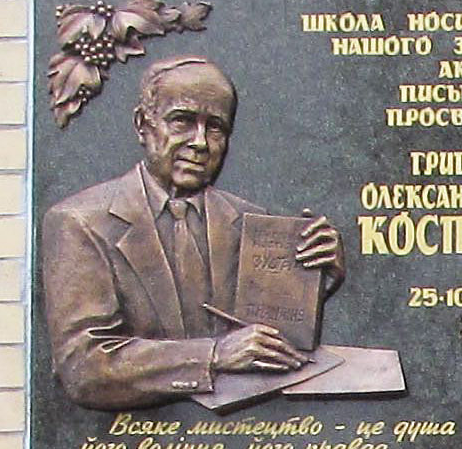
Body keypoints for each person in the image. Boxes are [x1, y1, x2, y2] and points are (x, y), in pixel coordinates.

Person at [41, 56, 377, 407]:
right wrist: (213, 355)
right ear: (143, 125)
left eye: (215, 127)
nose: (200, 142)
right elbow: (84, 368)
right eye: (183, 121)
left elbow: (264, 341)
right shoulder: (78, 222)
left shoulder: (249, 219)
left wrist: (313, 281)